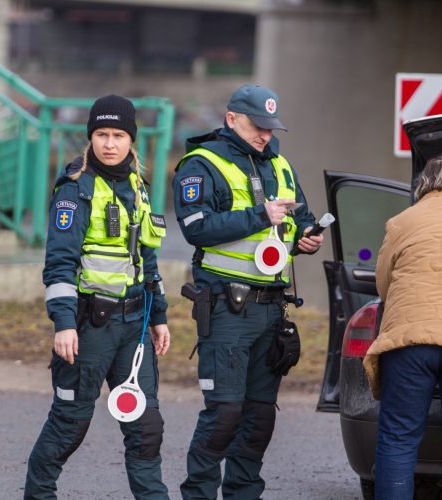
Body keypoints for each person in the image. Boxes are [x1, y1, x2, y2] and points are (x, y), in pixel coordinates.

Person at [172, 83, 323, 499]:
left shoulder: (282, 166)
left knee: (259, 419)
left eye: (271, 128)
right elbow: (196, 227)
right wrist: (260, 214)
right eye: (257, 126)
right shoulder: (201, 164)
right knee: (224, 414)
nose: (265, 136)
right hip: (226, 309)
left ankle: (243, 493)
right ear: (231, 119)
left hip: (271, 309)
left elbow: (299, 221)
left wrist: (306, 237)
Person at [24, 95, 171, 499]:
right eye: (102, 134)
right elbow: (59, 265)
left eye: (118, 135)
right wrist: (64, 324)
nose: (109, 143)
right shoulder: (76, 189)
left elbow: (147, 258)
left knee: (146, 428)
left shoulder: (138, 186)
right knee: (69, 424)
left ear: (131, 140)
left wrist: (158, 315)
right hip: (90, 327)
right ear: (91, 138)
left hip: (134, 327)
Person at [363, 154, 442, 499]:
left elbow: (384, 284)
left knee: (399, 439)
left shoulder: (403, 221)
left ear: (424, 183)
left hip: (409, 342)